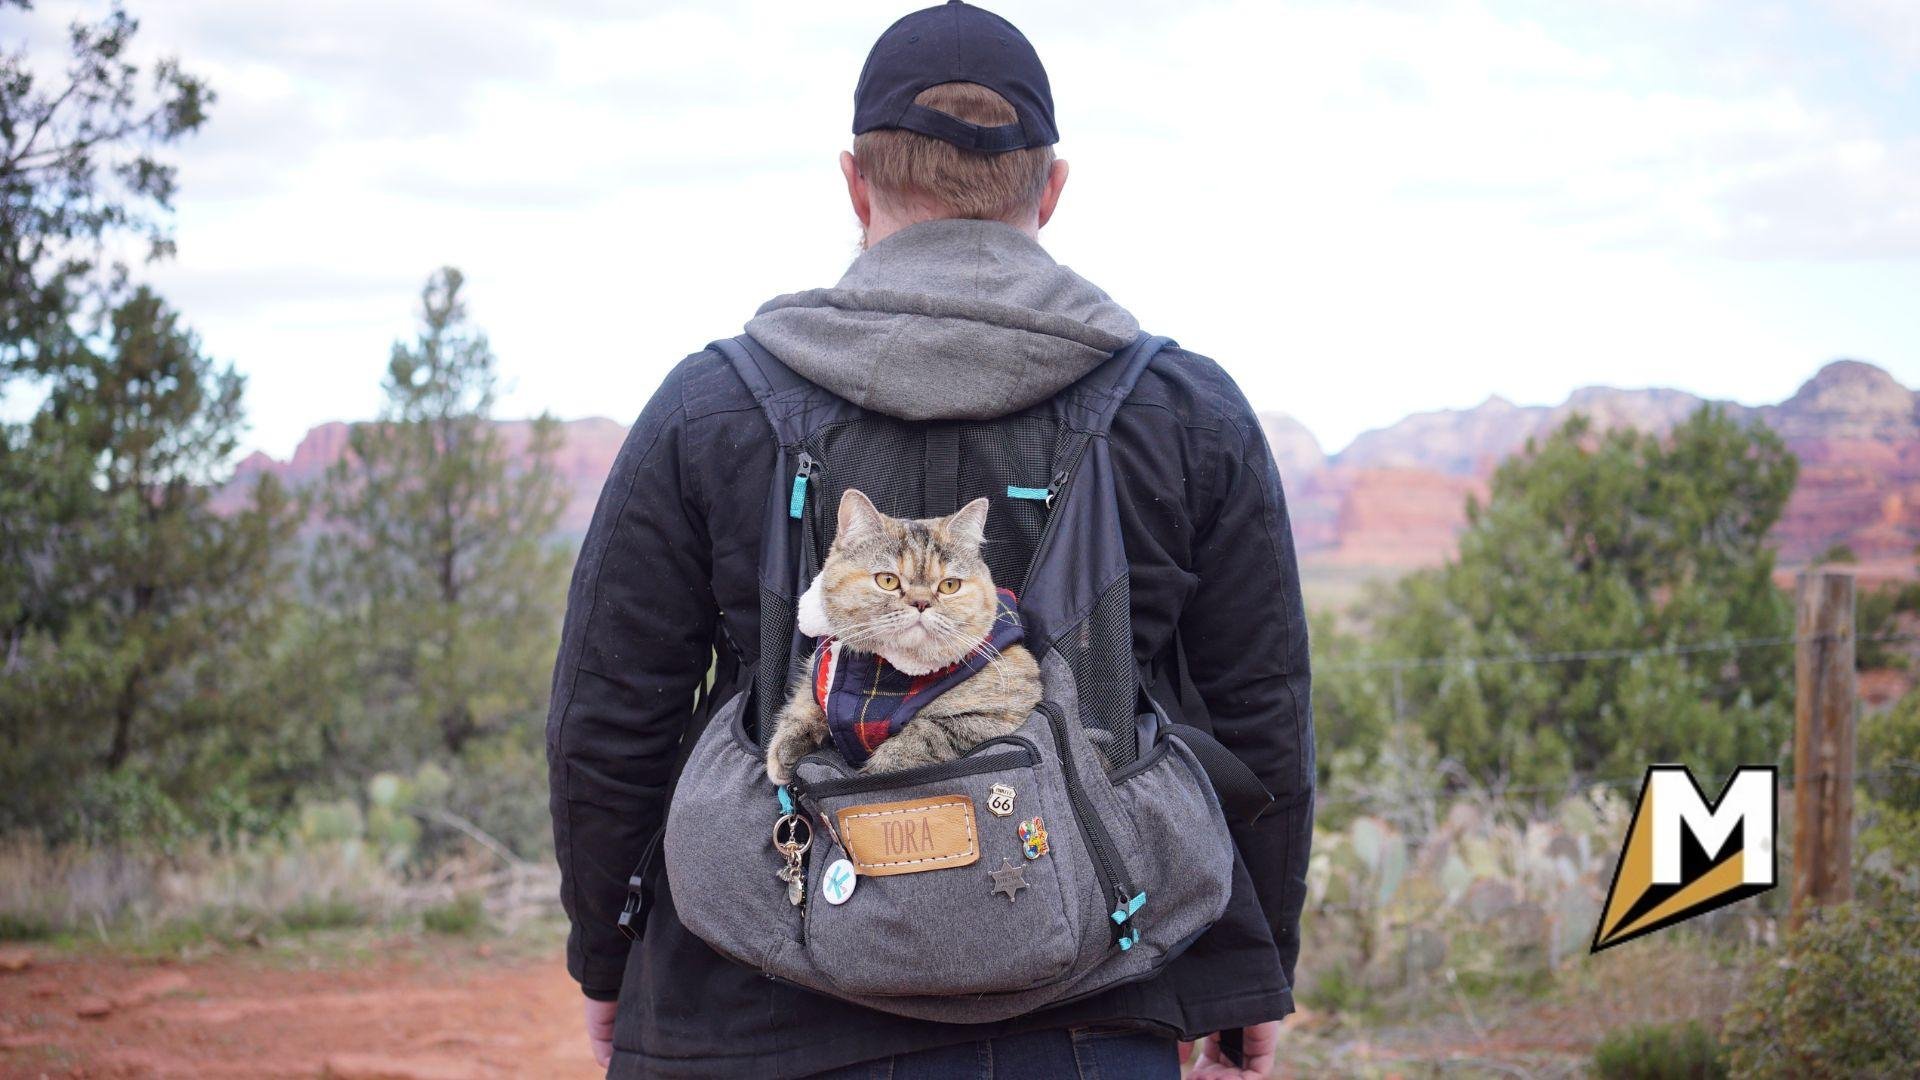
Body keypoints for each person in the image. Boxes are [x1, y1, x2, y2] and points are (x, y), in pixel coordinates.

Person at [546, 3, 1313, 1077]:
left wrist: (608, 958)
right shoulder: (1183, 413)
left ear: (857, 184)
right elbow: (1259, 714)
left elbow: (608, 719)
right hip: (1090, 1012)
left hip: (747, 1007)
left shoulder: (709, 408)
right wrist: (1247, 971)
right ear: (1049, 190)